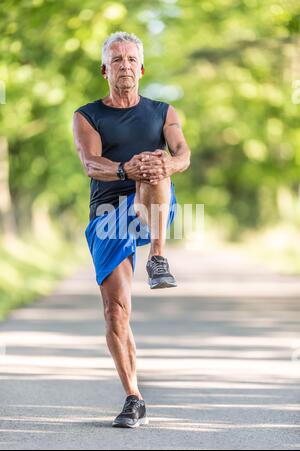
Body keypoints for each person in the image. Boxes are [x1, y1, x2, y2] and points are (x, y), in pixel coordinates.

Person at [73, 31, 190, 428]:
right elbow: (91, 164)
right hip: (107, 210)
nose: (125, 66)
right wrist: (125, 168)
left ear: (142, 69)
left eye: (130, 60)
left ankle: (158, 256)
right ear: (105, 70)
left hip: (152, 201)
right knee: (115, 311)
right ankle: (133, 397)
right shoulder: (88, 115)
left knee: (156, 163)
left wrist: (160, 164)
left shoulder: (162, 111)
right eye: (117, 60)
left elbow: (182, 154)